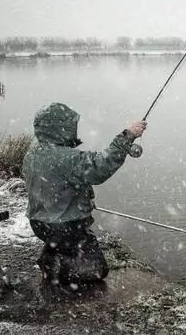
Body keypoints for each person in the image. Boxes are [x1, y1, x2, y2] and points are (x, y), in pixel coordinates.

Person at [22, 102, 146, 288]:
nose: (74, 130)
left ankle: (52, 256)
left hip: (39, 224)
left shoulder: (33, 153)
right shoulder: (67, 157)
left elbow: (55, 184)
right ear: (60, 129)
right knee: (97, 269)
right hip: (66, 227)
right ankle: (57, 270)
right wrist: (127, 136)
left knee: (60, 242)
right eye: (71, 126)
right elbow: (99, 167)